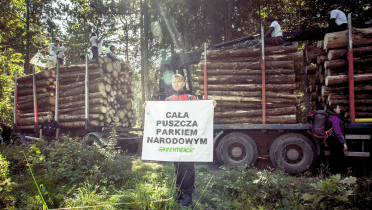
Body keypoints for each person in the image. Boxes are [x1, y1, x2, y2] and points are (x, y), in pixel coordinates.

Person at [142, 74, 216, 206]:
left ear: (183, 84)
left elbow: (200, 112)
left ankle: (188, 194)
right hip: (175, 141)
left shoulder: (191, 98)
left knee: (188, 167)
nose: (176, 84)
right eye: (174, 82)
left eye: (179, 82)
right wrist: (148, 109)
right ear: (172, 84)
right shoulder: (168, 100)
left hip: (188, 140)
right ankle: (179, 192)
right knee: (177, 167)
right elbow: (161, 116)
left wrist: (211, 105)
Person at [325, 104, 348, 175]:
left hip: (331, 139)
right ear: (334, 109)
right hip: (334, 139)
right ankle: (335, 174)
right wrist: (344, 143)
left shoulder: (330, 116)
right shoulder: (334, 118)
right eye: (338, 108)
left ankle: (333, 174)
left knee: (335, 156)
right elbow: (337, 131)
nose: (340, 109)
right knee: (338, 157)